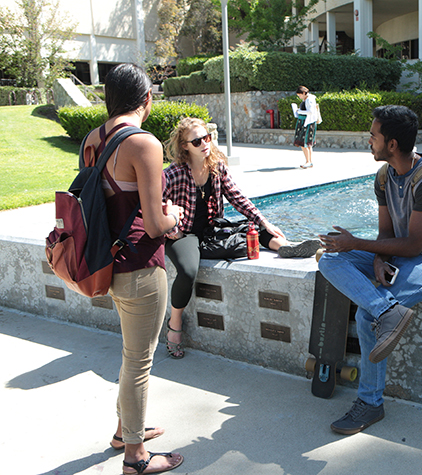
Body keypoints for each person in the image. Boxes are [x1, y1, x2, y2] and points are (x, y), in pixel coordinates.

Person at [317, 105, 422, 435]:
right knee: (330, 258)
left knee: (368, 316)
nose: (369, 141)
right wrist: (378, 259)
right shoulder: (384, 176)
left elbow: (414, 246)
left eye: (373, 136)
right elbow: (386, 235)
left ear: (392, 145)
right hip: (400, 254)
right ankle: (389, 311)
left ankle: (370, 403)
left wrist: (357, 244)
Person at [86, 63, 184, 474]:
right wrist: (174, 214)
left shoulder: (93, 139)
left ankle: (124, 430)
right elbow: (156, 222)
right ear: (146, 99)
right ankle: (135, 456)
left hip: (107, 263)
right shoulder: (144, 143)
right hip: (142, 265)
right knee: (140, 360)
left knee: (130, 355)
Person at [163, 117, 322, 359]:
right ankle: (174, 326)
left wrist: (265, 221)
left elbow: (238, 198)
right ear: (184, 145)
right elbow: (154, 205)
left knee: (253, 228)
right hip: (184, 235)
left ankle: (286, 247)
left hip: (213, 229)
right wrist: (170, 226)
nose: (205, 144)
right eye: (197, 141)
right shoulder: (174, 173)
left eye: (207, 138)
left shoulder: (217, 166)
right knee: (187, 271)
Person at [292, 86, 322, 168]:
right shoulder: (307, 99)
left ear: (304, 93)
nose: (299, 97)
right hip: (306, 122)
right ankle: (309, 161)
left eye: (300, 95)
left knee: (304, 143)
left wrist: (299, 111)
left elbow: (310, 111)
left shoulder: (309, 99)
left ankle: (308, 161)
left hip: (307, 123)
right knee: (307, 144)